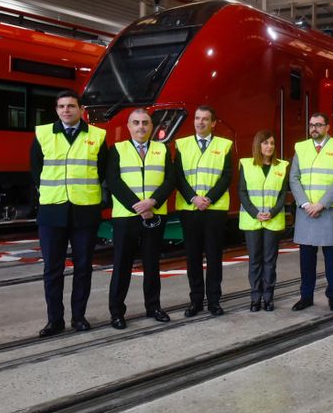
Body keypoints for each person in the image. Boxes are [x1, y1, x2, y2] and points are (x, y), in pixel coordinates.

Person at [31, 90, 107, 337]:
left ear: (81, 109)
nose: (66, 110)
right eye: (62, 106)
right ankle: (55, 320)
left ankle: (79, 317)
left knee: (83, 267)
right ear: (56, 110)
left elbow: (102, 171)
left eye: (71, 106)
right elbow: (35, 169)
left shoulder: (97, 135)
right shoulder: (43, 134)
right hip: (52, 211)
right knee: (52, 269)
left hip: (85, 211)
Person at [106, 108, 174, 329]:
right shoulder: (117, 149)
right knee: (122, 265)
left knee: (152, 264)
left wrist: (152, 202)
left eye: (145, 123)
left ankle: (153, 306)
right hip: (126, 217)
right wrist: (138, 207)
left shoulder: (162, 149)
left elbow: (169, 181)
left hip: (155, 214)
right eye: (136, 123)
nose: (141, 127)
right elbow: (114, 181)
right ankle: (117, 312)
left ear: (151, 126)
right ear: (128, 126)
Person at [174, 105, 233, 317]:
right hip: (190, 208)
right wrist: (193, 198)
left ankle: (214, 301)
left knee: (215, 257)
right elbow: (178, 176)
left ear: (213, 123)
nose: (200, 122)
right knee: (193, 257)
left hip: (214, 209)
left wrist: (208, 199)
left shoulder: (225, 145)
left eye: (205, 119)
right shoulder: (181, 145)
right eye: (197, 118)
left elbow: (227, 176)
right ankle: (196, 301)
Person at [289, 112, 333, 312]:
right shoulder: (301, 147)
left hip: (328, 211)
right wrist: (306, 203)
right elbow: (294, 178)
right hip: (306, 211)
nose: (314, 128)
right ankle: (306, 296)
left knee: (331, 258)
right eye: (311, 125)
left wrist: (321, 204)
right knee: (306, 258)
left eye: (318, 125)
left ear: (327, 127)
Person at [239, 130, 289, 312]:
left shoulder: (281, 166)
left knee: (270, 260)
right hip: (252, 220)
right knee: (255, 260)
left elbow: (283, 194)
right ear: (258, 145)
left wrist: (273, 212)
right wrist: (255, 213)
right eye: (266, 143)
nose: (269, 146)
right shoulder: (246, 164)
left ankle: (268, 297)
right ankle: (255, 298)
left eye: (272, 143)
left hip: (272, 220)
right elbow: (242, 192)